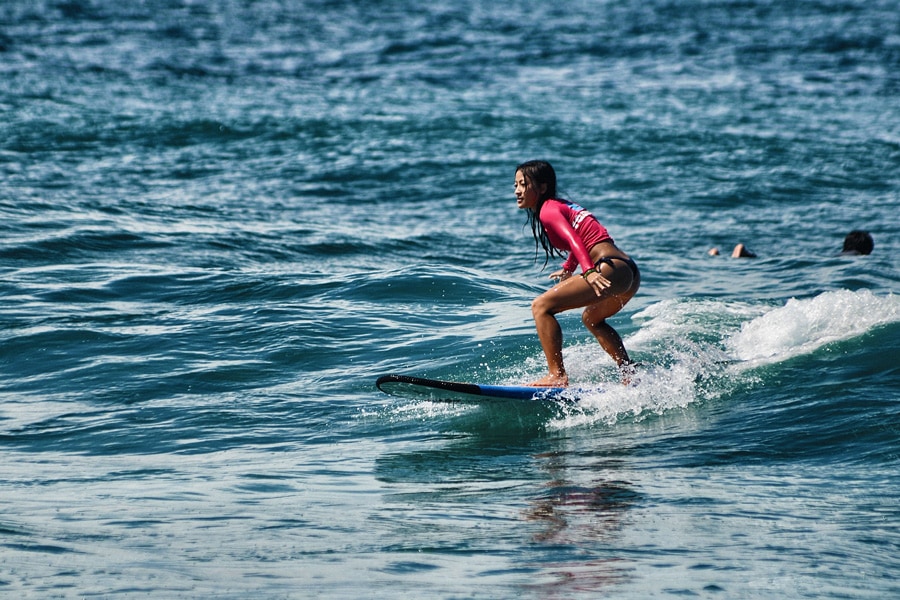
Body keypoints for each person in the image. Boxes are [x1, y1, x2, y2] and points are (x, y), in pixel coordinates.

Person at [515, 160, 640, 387]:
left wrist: (589, 271)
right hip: (626, 269)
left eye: (523, 184)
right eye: (515, 185)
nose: (517, 190)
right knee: (592, 318)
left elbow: (573, 239)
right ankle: (628, 372)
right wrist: (568, 268)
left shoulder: (548, 211)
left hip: (608, 267)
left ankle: (557, 375)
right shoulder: (561, 206)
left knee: (541, 307)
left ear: (542, 188)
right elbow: (581, 239)